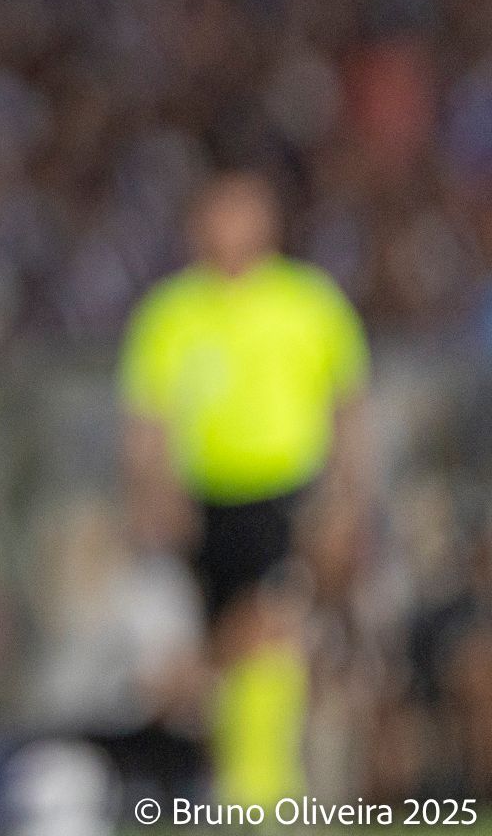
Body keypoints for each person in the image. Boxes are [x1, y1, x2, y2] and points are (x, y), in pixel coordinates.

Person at [118, 170, 369, 805]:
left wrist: (344, 498)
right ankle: (238, 781)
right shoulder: (172, 311)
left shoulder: (309, 302)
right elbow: (147, 418)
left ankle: (262, 787)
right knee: (221, 646)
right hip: (205, 506)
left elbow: (348, 406)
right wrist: (152, 496)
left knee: (271, 630)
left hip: (289, 498)